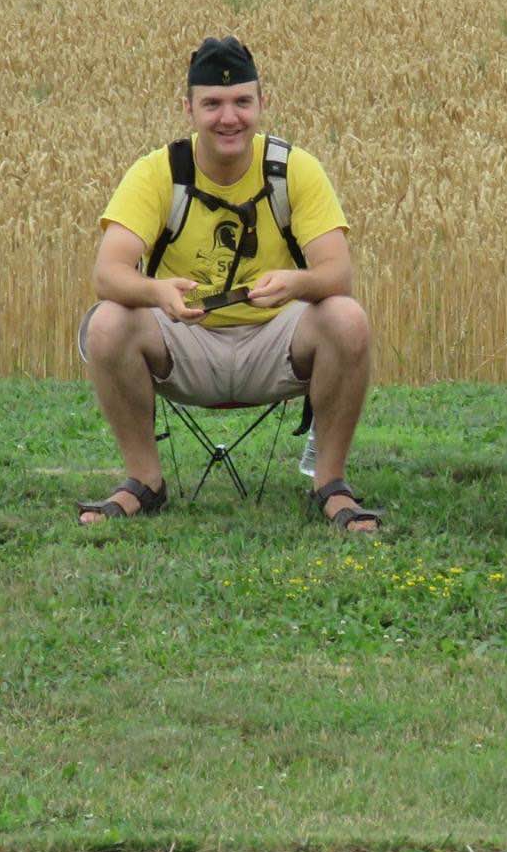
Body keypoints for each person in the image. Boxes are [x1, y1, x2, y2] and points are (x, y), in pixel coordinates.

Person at [76, 36, 382, 532]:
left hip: (275, 342)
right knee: (107, 323)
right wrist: (158, 293)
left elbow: (338, 274)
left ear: (263, 103)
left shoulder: (292, 169)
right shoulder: (158, 172)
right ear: (188, 109)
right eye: (212, 104)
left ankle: (330, 484)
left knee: (347, 317)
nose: (229, 118)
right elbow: (107, 274)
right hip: (185, 341)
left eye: (242, 101)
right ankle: (143, 482)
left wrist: (297, 283)